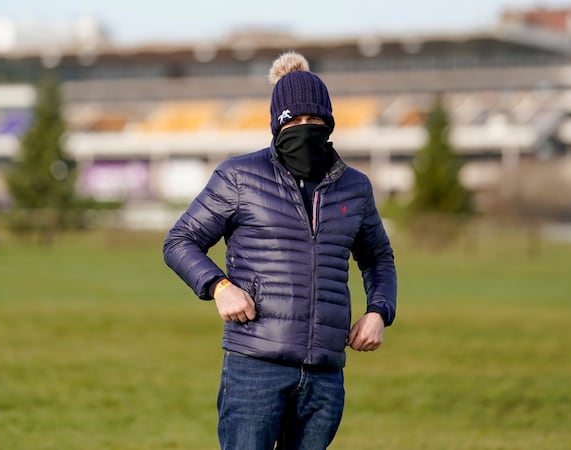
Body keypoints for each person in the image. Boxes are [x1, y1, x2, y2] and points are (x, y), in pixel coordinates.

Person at [162, 51, 397, 449]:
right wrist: (219, 286)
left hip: (324, 372)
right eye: (295, 121)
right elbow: (179, 241)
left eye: (315, 120)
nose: (305, 129)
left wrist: (379, 311)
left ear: (329, 122)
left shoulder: (355, 187)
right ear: (277, 124)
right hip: (255, 365)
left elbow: (378, 258)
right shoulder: (239, 176)